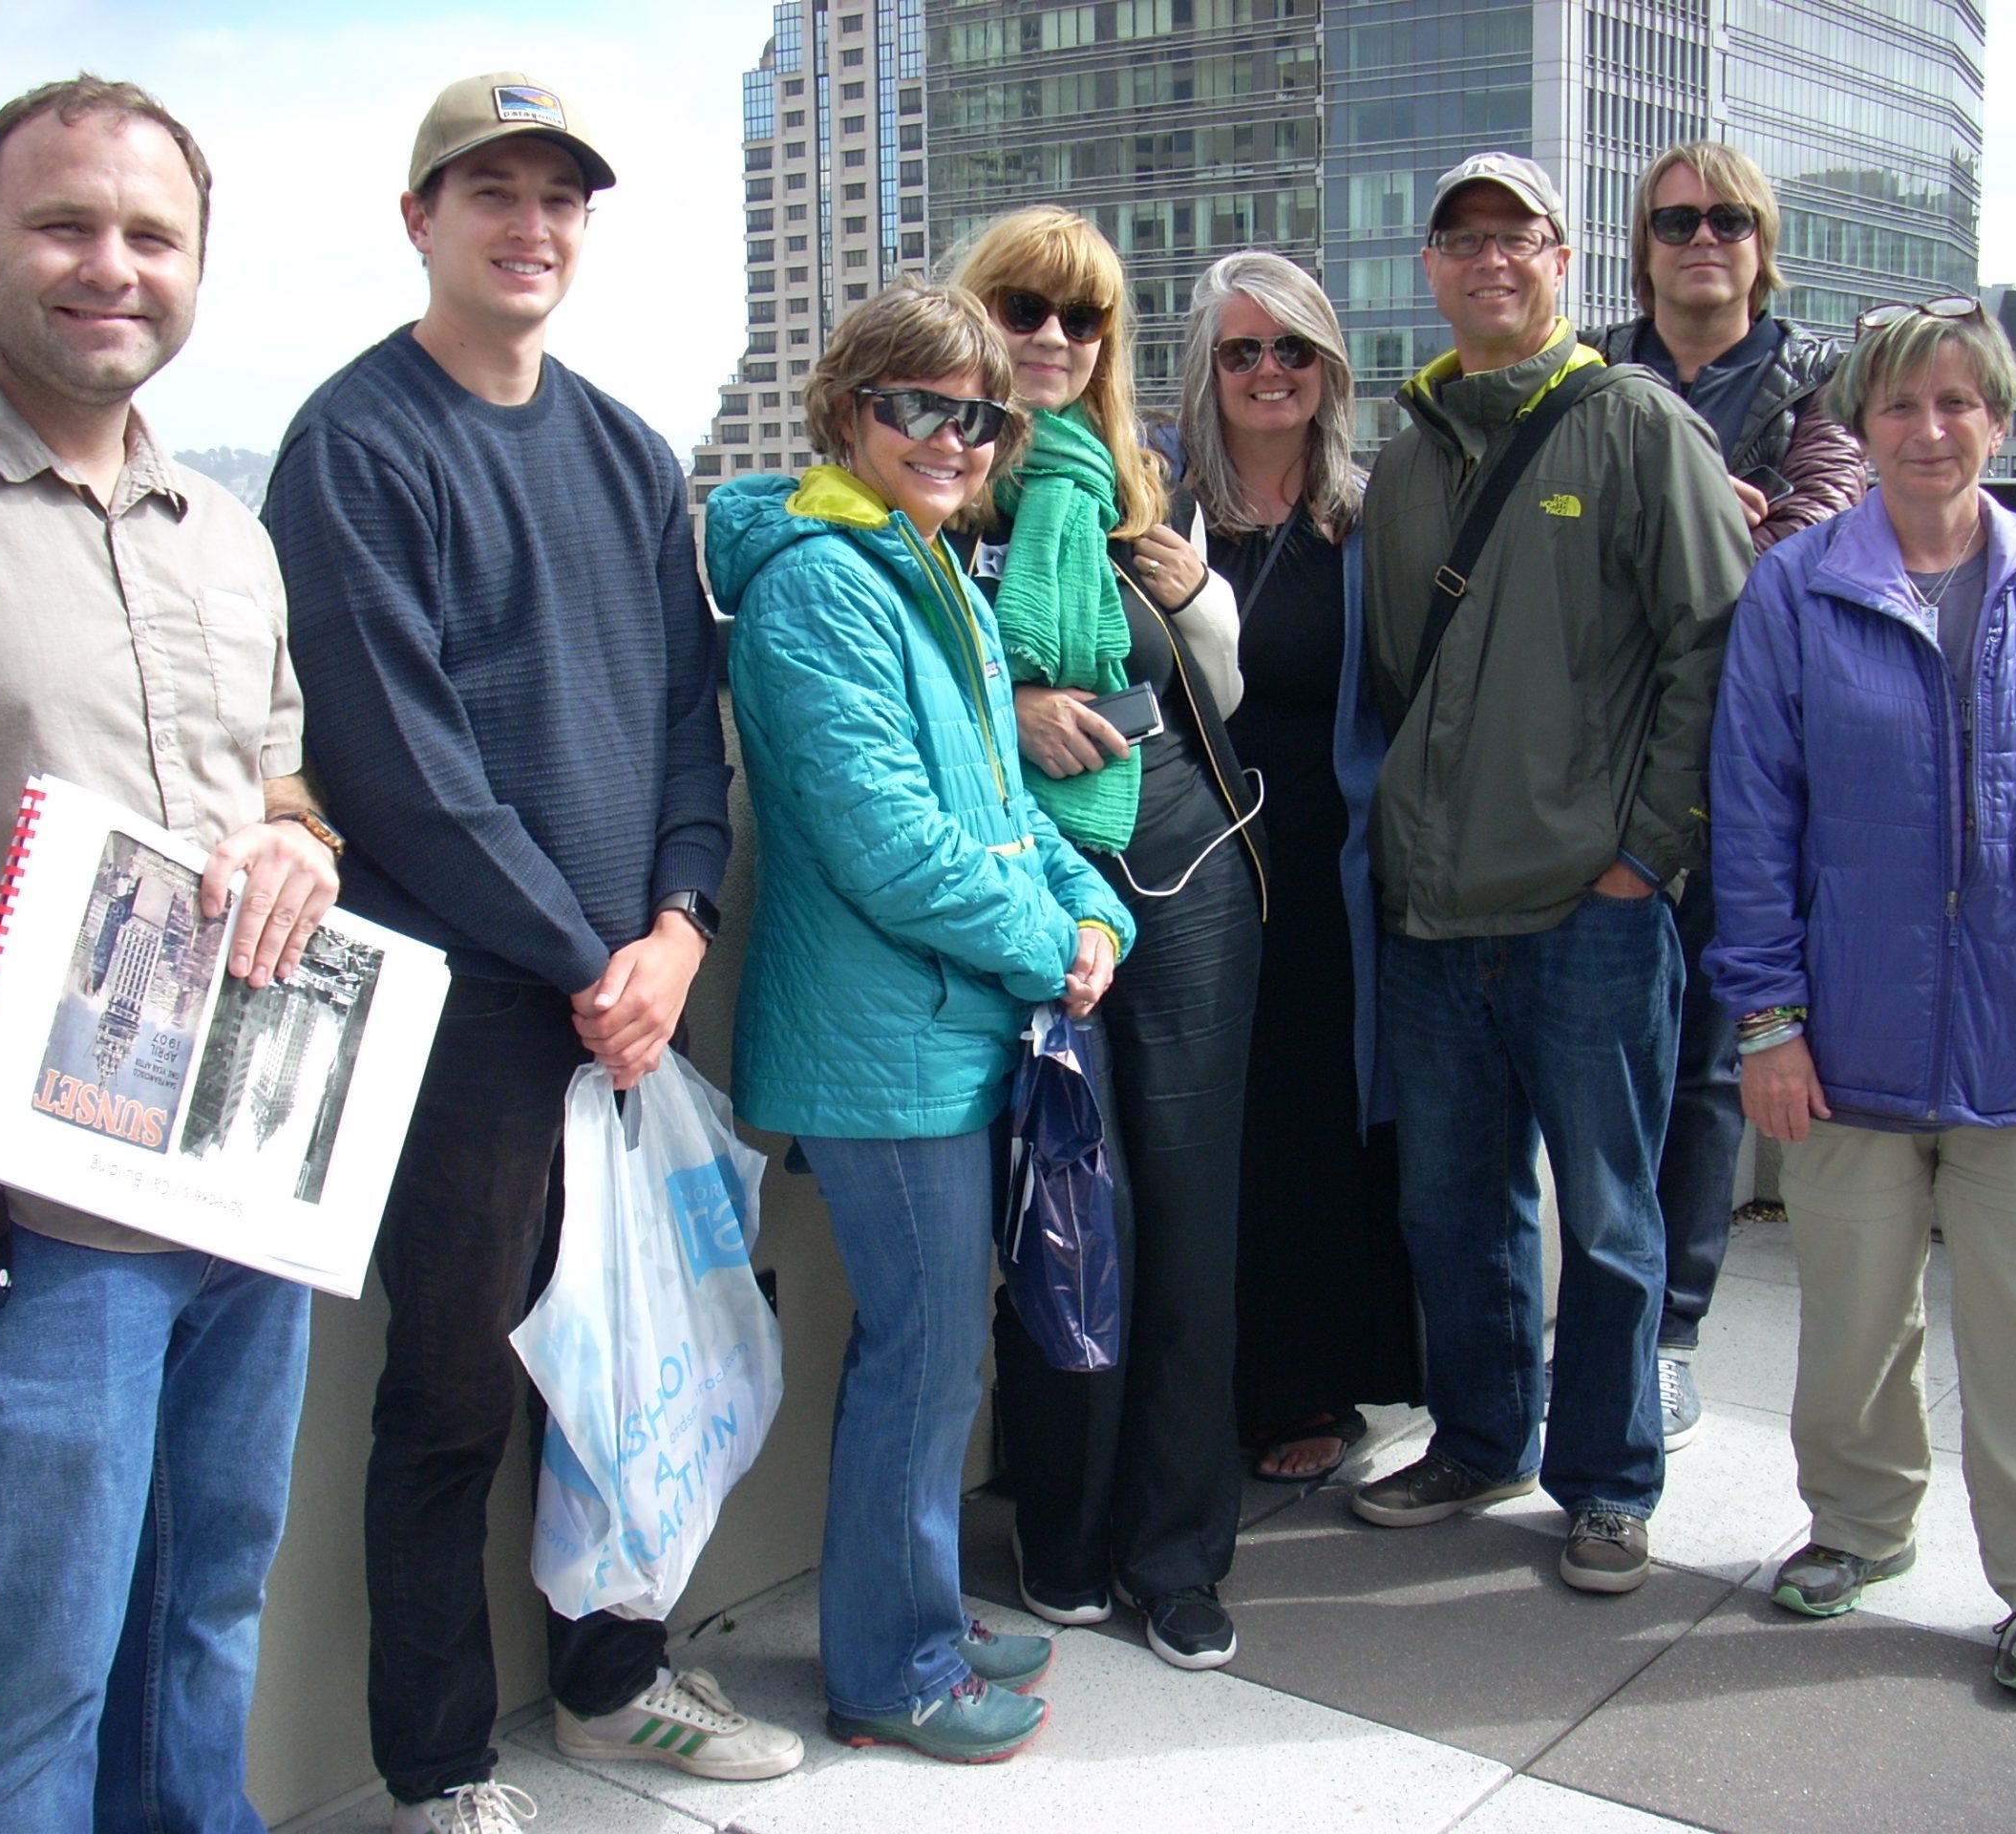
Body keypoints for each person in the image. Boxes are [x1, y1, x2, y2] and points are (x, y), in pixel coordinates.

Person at [262, 73, 797, 1832]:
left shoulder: (630, 450)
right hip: (469, 1017)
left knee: (627, 1369)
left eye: (559, 196)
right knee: (452, 1395)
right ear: (421, 219)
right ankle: (432, 1764)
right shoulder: (357, 443)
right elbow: (399, 768)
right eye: (488, 191)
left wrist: (676, 922)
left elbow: (676, 725)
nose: (528, 224)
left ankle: (613, 1686)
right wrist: (596, 958)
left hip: (624, 995)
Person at [0, 76, 341, 1831]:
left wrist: (297, 839)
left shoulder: (230, 533)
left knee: (201, 1631)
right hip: (20, 1223)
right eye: (64, 225)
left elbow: (283, 785)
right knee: (26, 1667)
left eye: (152, 236)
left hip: (242, 1197)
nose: (108, 266)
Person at [1708, 296, 2016, 1700]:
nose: (1930, 430)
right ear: (1861, 422)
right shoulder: (1798, 591)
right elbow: (1753, 823)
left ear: (1999, 420)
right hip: (1846, 1039)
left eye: (1958, 403)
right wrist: (1769, 1023)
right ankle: (1857, 1529)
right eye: (1902, 405)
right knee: (1852, 1322)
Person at [707, 278, 1132, 1761]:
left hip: (943, 1031)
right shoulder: (822, 585)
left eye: (980, 415)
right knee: (926, 1346)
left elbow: (1004, 805)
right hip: (879, 1051)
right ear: (847, 411)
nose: (956, 438)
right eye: (921, 408)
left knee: (941, 1349)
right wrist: (1045, 948)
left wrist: (1101, 915)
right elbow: (886, 839)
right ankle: (889, 1668)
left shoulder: (923, 563)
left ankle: (924, 1616)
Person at [1348, 152, 1747, 1595]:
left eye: (1516, 238)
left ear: (1566, 259)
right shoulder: (1401, 461)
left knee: (1611, 1213)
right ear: (1431, 270)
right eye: (1460, 241)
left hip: (1592, 910)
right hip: (1433, 912)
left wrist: (1646, 856)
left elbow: (1718, 647)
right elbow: (1389, 680)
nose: (1488, 262)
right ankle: (1478, 1438)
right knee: (1454, 1209)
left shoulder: (1636, 426)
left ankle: (1608, 1480)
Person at [948, 205, 1265, 1670]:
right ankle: (1062, 1532)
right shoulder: (933, 484)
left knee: (1192, 1218)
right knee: (1076, 1214)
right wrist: (1008, 710)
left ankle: (1180, 1550)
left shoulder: (1139, 484)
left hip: (1184, 862)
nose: (1054, 343)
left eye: (1082, 320)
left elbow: (1225, 693)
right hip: (1031, 880)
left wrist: (1196, 594)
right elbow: (888, 670)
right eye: (1024, 309)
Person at [1581, 140, 1869, 1452]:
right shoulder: (1584, 370)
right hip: (1590, 761)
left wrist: (1664, 504)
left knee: (1703, 1059)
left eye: (1731, 220)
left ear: (1763, 246)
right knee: (1588, 1064)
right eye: (1677, 219)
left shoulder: (1823, 384)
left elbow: (1807, 542)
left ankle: (1670, 1333)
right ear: (1641, 244)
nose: (1705, 239)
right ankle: (1592, 1317)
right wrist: (1699, 506)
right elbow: (1554, 538)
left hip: (1747, 770)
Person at [1175, 251, 1418, 1483]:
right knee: (1214, 1125)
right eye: (1241, 351)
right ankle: (1207, 1376)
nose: (1268, 371)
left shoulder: (1372, 514)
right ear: (1204, 372)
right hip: (1197, 858)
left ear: (1331, 369)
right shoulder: (1161, 512)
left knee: (1320, 1122)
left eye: (1293, 349)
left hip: (1330, 862)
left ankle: (1308, 1383)